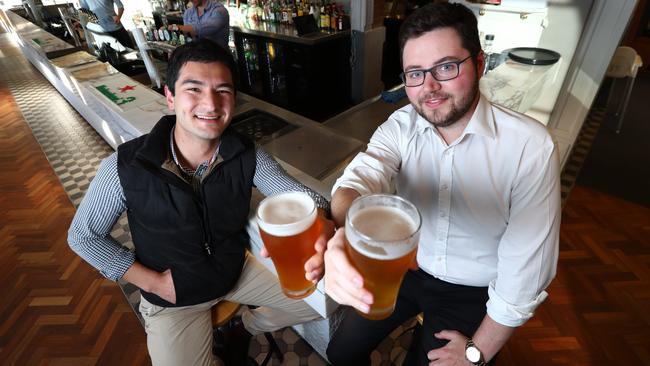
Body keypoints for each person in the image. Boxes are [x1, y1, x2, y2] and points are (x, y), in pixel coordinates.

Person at [68, 39, 333, 366]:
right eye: (194, 89)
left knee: (318, 303)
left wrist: (322, 222)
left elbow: (309, 199)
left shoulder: (246, 154)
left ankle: (244, 327)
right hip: (173, 298)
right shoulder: (127, 165)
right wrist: (155, 284)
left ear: (234, 100)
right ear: (170, 97)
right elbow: (83, 236)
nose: (211, 104)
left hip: (234, 272)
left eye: (223, 91)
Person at [323, 3, 560, 366]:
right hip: (407, 268)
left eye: (446, 67)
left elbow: (524, 275)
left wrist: (476, 352)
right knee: (340, 352)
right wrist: (345, 230)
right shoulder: (400, 126)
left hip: (473, 290)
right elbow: (358, 180)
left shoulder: (529, 147)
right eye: (415, 73)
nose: (429, 87)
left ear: (479, 64)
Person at [164, 0, 229, 49]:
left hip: (219, 58)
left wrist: (176, 27)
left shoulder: (219, 11)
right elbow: (187, 37)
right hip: (196, 56)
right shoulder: (188, 13)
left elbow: (200, 29)